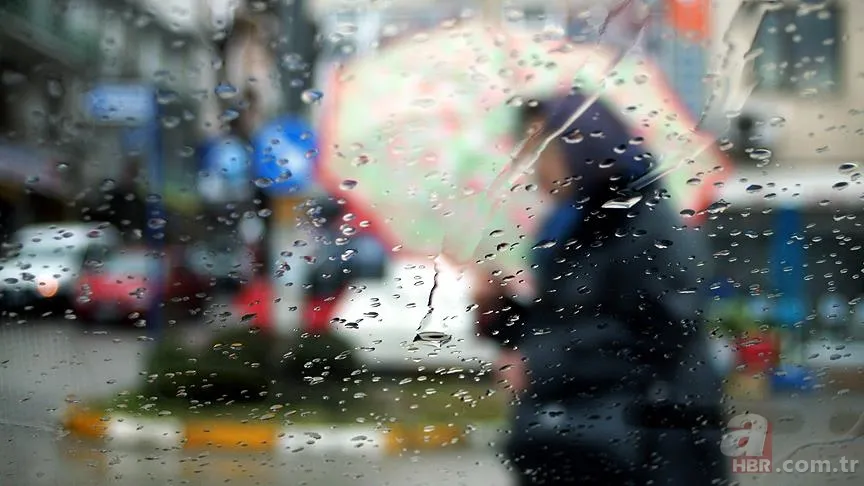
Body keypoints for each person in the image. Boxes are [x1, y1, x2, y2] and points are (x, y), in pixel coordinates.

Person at [474, 93, 729, 485]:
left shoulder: (644, 223)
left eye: (542, 147)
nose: (534, 166)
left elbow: (661, 331)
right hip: (581, 442)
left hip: (650, 449)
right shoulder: (569, 227)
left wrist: (539, 364)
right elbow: (565, 321)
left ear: (587, 143)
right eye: (527, 150)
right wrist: (501, 312)